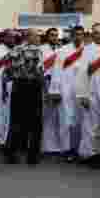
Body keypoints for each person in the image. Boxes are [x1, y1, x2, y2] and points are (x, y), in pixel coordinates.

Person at [5, 28, 47, 164]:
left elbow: (8, 69)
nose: (39, 38)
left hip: (18, 86)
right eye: (37, 36)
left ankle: (11, 153)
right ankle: (32, 156)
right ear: (29, 37)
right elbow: (39, 70)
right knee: (35, 122)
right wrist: (43, 85)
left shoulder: (15, 49)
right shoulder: (36, 50)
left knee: (16, 120)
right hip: (32, 86)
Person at [77, 22, 100, 163]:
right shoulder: (87, 50)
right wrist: (83, 95)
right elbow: (82, 73)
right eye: (97, 33)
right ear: (92, 35)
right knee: (90, 123)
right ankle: (88, 153)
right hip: (91, 88)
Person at [52, 25, 86, 160]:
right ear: (72, 35)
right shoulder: (63, 50)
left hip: (82, 90)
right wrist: (55, 90)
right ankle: (66, 148)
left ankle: (79, 148)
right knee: (66, 119)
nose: (78, 37)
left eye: (81, 34)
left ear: (84, 36)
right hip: (65, 89)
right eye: (76, 34)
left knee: (81, 120)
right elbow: (56, 70)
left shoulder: (88, 50)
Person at [41, 28, 65, 154]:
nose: (54, 37)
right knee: (46, 115)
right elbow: (41, 69)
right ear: (47, 36)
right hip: (46, 83)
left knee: (58, 115)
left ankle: (58, 144)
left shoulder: (62, 49)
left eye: (56, 35)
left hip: (59, 85)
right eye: (52, 35)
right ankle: (46, 145)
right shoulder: (42, 49)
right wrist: (45, 88)